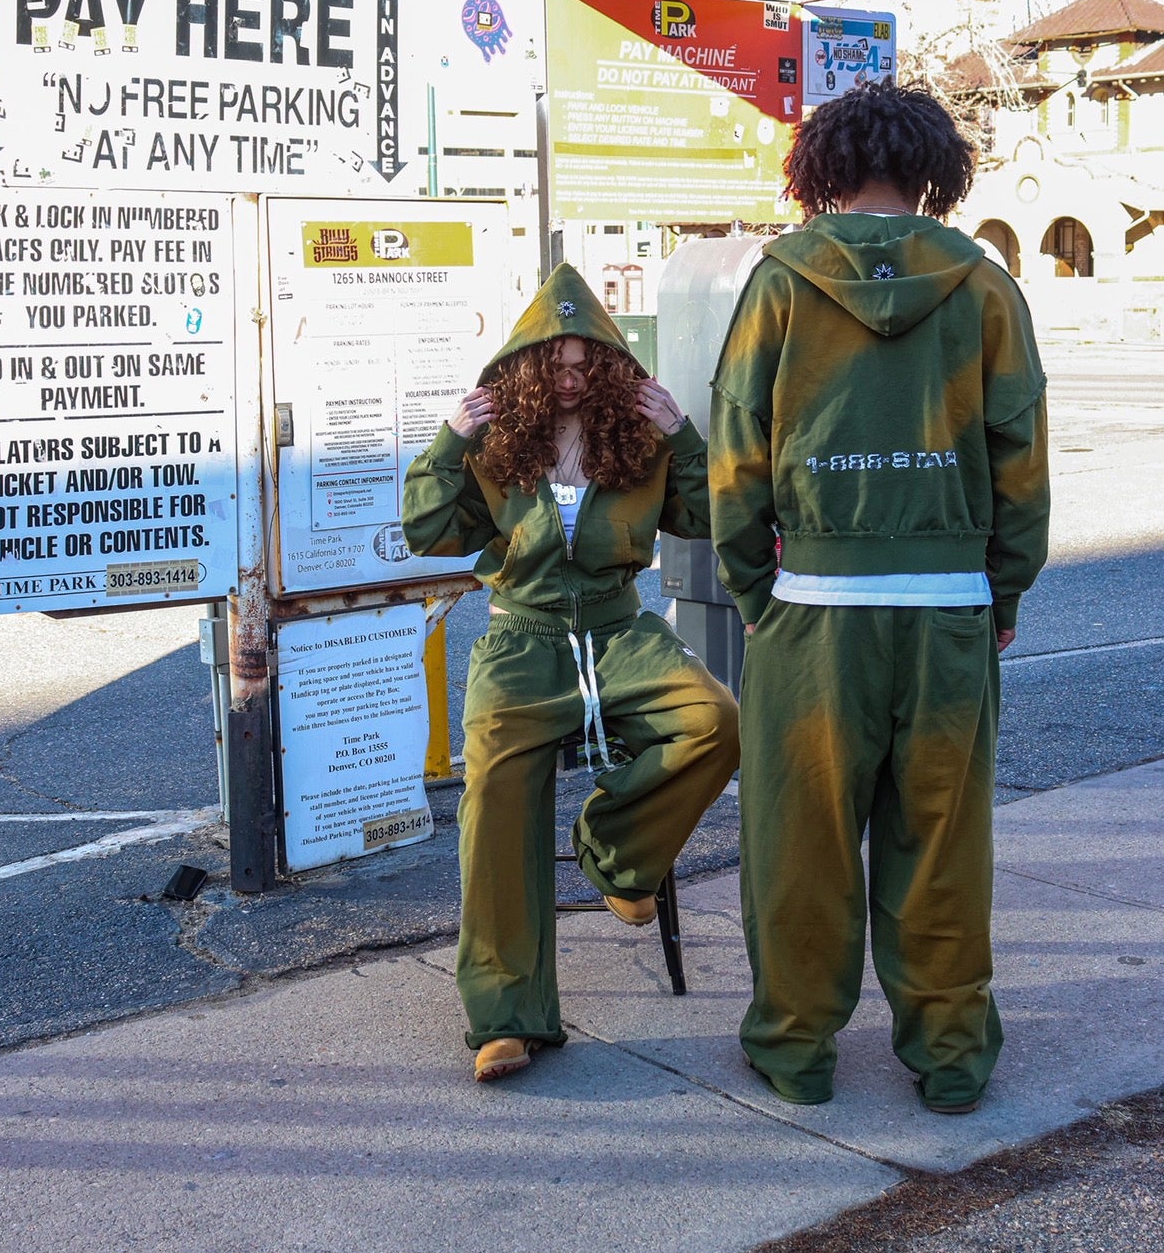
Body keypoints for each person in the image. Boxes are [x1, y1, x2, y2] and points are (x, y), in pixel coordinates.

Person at [708, 80, 1049, 1114]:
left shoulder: (781, 281)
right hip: (946, 606)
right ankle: (950, 1056)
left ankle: (797, 1049)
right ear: (932, 169)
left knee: (800, 841)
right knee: (942, 843)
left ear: (823, 166)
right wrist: (1002, 589)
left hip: (814, 607)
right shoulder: (983, 285)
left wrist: (755, 587)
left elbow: (738, 449)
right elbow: (1019, 452)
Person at [403, 263, 739, 1082]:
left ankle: (615, 855)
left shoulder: (639, 439)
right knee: (493, 796)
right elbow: (426, 531)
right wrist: (450, 439)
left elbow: (712, 516)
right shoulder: (495, 445)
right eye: (555, 364)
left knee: (715, 722)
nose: (570, 378)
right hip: (522, 640)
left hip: (621, 632)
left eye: (587, 364)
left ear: (612, 365)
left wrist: (683, 437)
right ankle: (506, 1018)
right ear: (527, 365)